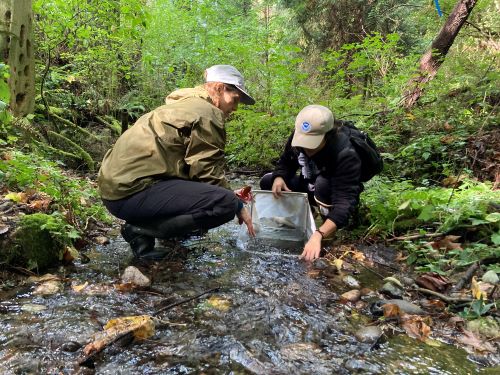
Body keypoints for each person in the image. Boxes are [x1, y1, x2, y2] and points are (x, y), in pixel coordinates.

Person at [98, 65, 256, 261]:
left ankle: (145, 241)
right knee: (225, 204)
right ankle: (140, 231)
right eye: (235, 99)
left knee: (216, 197)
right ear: (219, 88)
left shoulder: (181, 105)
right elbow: (205, 171)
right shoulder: (208, 113)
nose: (235, 108)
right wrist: (237, 204)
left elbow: (188, 169)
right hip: (132, 193)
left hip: (115, 191)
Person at [259, 105, 363, 262]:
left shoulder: (345, 153)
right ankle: (304, 214)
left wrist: (318, 235)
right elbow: (285, 162)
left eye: (312, 143)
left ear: (327, 136)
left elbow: (344, 202)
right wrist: (279, 177)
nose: (306, 147)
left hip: (329, 192)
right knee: (268, 181)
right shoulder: (299, 136)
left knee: (322, 185)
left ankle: (326, 227)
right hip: (308, 184)